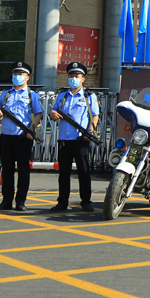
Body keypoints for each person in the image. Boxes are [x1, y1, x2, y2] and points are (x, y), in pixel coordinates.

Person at [50, 62, 100, 213]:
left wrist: (90, 131)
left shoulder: (89, 96)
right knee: (63, 173)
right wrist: (53, 114)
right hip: (64, 140)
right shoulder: (62, 96)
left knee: (83, 171)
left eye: (77, 76)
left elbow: (95, 115)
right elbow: (54, 112)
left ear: (83, 79)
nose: (73, 79)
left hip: (81, 139)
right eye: (71, 76)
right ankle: (62, 202)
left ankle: (86, 202)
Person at [0, 61, 42, 211]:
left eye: (20, 74)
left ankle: (20, 201)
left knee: (23, 170)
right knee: (6, 169)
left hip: (23, 137)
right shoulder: (6, 94)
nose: (17, 77)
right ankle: (6, 200)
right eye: (15, 74)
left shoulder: (32, 95)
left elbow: (38, 114)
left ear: (27, 77)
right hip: (6, 135)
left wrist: (31, 130)